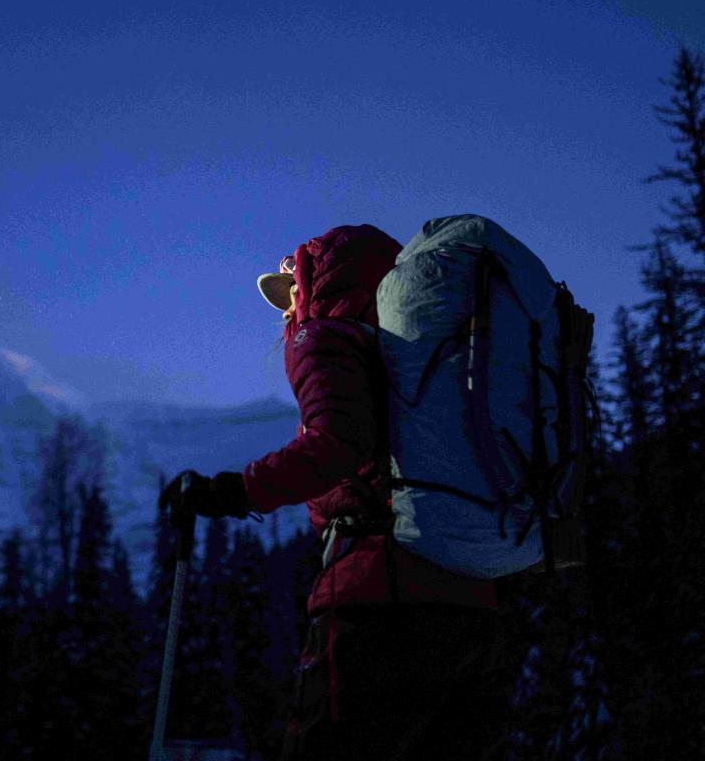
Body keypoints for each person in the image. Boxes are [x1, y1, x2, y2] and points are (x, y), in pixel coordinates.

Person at [161, 224, 511, 760]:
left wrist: (232, 492)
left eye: (293, 291)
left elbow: (335, 444)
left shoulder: (322, 337)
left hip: (377, 600)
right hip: (472, 602)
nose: (285, 312)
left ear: (321, 284)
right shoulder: (422, 352)